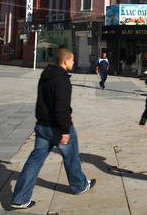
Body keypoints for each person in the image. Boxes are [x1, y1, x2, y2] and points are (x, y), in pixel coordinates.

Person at [11, 49, 95, 209]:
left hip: (42, 125)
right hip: (57, 126)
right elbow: (62, 108)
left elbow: (41, 100)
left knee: (34, 161)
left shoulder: (46, 75)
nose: (73, 63)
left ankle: (20, 198)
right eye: (71, 60)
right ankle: (80, 185)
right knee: (71, 157)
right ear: (65, 61)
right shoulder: (62, 80)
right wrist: (64, 130)